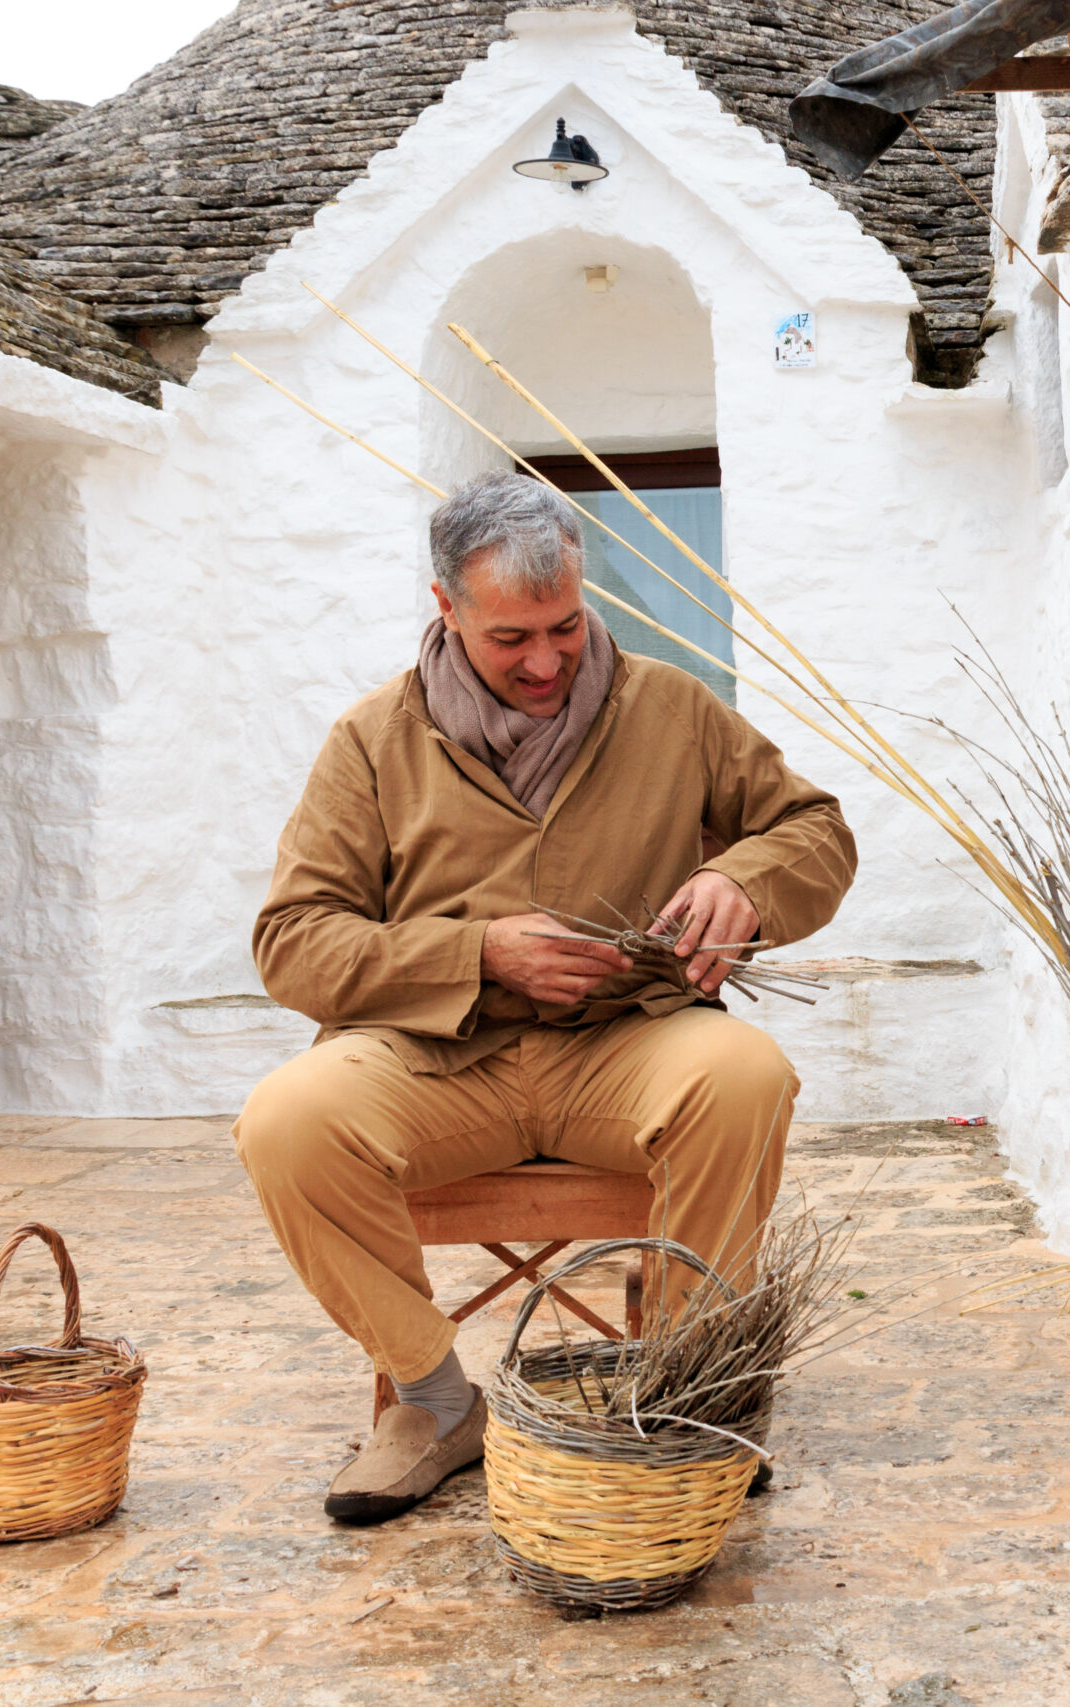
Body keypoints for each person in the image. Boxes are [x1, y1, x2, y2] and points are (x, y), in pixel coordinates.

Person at [232, 470, 855, 1523]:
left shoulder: (671, 706)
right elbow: (293, 943)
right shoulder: (370, 741)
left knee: (745, 1073)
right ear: (446, 609)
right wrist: (474, 954)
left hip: (625, 1045)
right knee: (286, 1122)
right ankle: (432, 1401)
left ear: (583, 588)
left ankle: (684, 1387)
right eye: (510, 638)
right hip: (433, 1061)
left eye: (565, 626)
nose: (546, 660)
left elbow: (817, 834)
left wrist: (739, 879)